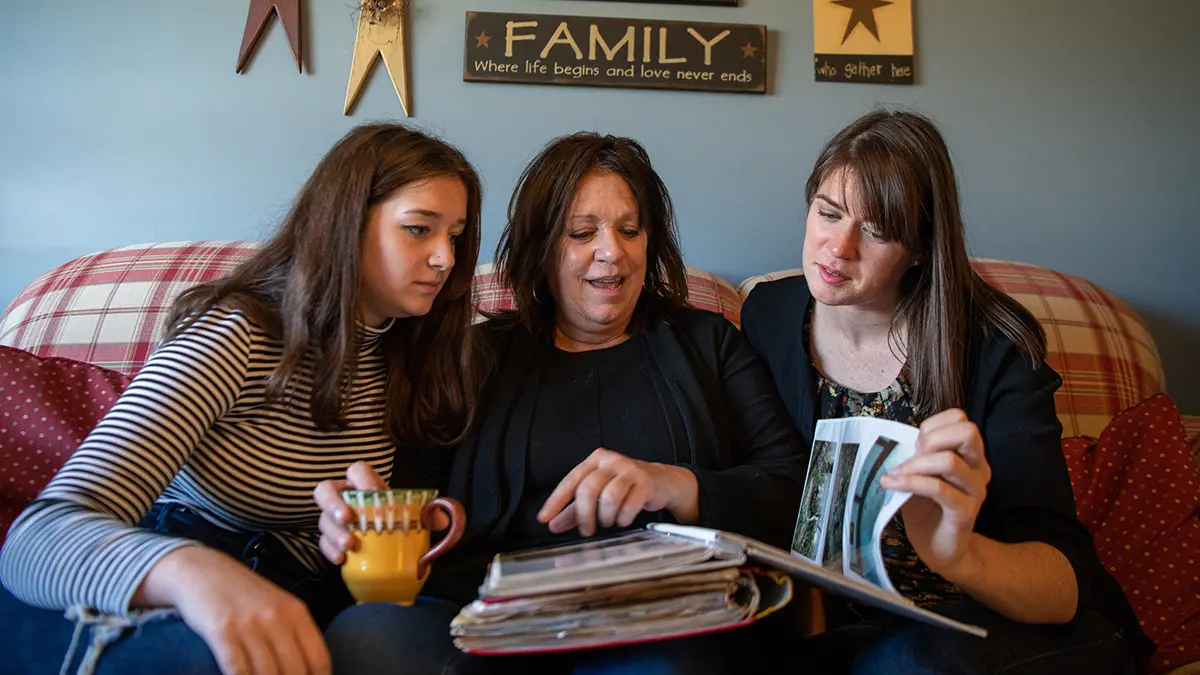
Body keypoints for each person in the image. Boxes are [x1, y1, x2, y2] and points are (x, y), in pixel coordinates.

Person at [315, 131, 809, 674]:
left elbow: (793, 496)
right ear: (541, 248)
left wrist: (677, 484)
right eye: (581, 232)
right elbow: (408, 499)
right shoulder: (472, 356)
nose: (611, 252)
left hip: (662, 627)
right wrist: (358, 523)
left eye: (629, 229)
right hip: (488, 622)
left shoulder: (710, 344)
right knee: (372, 637)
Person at [0, 122, 484, 675]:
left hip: (305, 594)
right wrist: (192, 572)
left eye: (456, 235)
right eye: (420, 229)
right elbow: (40, 534)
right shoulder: (238, 332)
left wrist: (359, 540)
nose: (445, 258)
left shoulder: (414, 356)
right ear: (345, 225)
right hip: (165, 585)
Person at [739, 109, 1153, 674]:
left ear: (920, 247)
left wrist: (956, 553)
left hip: (1001, 630)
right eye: (828, 213)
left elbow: (1062, 587)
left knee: (908, 661)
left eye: (878, 231)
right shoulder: (767, 316)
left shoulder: (994, 347)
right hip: (853, 634)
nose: (839, 247)